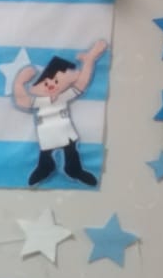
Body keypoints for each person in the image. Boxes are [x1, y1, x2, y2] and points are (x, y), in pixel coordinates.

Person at [11, 40, 108, 187]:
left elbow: (81, 83)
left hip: (65, 131)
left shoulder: (63, 97)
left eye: (56, 81)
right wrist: (19, 82)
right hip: (47, 133)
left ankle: (74, 170)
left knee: (71, 151)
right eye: (46, 82)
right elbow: (22, 101)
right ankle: (45, 167)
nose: (51, 85)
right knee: (46, 153)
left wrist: (90, 60)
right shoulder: (39, 101)